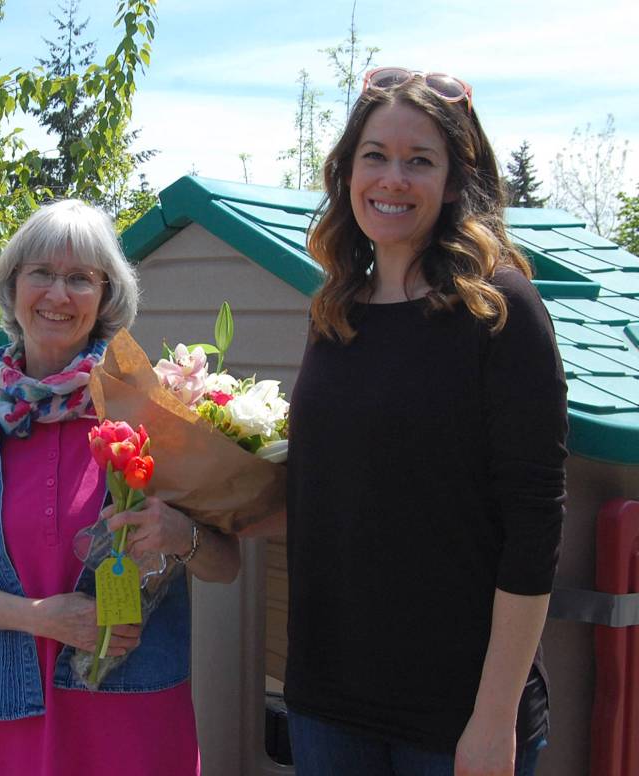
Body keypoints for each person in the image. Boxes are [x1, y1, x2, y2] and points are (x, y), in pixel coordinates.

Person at [282, 68, 568, 775]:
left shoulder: (501, 310)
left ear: (453, 179)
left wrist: (495, 719)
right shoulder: (335, 310)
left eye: (420, 160)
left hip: (453, 716)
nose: (393, 178)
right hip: (328, 702)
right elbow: (325, 494)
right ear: (348, 170)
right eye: (375, 155)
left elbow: (535, 528)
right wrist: (195, 512)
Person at [0, 199, 241, 776]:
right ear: (13, 285)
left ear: (106, 297)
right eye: (40, 272)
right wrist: (42, 617)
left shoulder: (151, 412)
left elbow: (225, 566)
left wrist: (180, 533)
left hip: (131, 719)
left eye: (79, 278)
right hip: (9, 714)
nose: (57, 294)